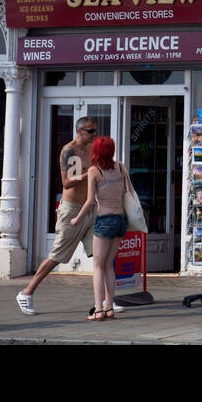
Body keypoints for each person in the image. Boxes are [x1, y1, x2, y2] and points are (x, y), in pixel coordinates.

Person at [16, 116, 98, 314]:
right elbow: (67, 182)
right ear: (79, 131)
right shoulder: (70, 151)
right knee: (57, 256)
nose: (94, 135)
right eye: (90, 131)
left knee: (100, 255)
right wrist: (88, 175)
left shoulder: (92, 148)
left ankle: (106, 300)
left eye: (95, 130)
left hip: (90, 207)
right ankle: (26, 292)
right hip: (72, 209)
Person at [70, 136, 132, 321]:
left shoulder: (94, 171)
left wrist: (77, 219)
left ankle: (98, 309)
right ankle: (109, 307)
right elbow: (128, 191)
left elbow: (90, 201)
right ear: (111, 151)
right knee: (108, 265)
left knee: (97, 266)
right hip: (121, 219)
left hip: (104, 219)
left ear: (96, 152)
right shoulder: (120, 167)